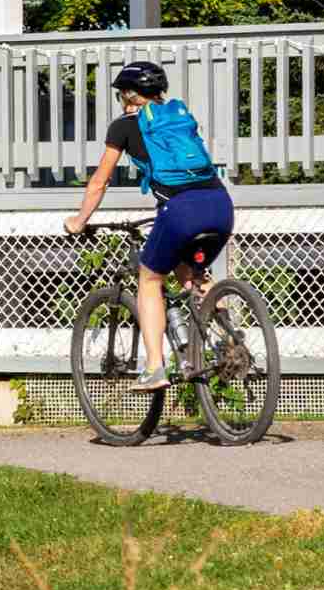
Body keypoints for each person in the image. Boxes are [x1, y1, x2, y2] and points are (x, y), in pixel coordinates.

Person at [65, 60, 234, 391]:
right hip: (220, 205)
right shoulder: (180, 118)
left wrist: (79, 220)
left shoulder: (125, 126)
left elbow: (100, 181)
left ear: (129, 95)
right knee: (191, 273)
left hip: (181, 210)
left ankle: (155, 367)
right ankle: (228, 341)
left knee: (149, 277)